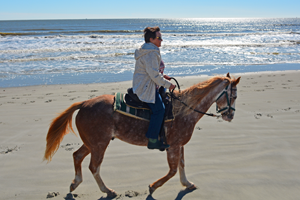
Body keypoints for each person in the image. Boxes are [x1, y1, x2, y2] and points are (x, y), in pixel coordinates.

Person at [132, 26, 176, 150]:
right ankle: (152, 139)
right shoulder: (150, 54)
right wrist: (168, 85)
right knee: (160, 110)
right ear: (151, 39)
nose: (161, 40)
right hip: (146, 87)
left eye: (161, 38)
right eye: (159, 38)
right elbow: (154, 75)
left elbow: (155, 71)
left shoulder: (152, 50)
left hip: (151, 83)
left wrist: (164, 76)